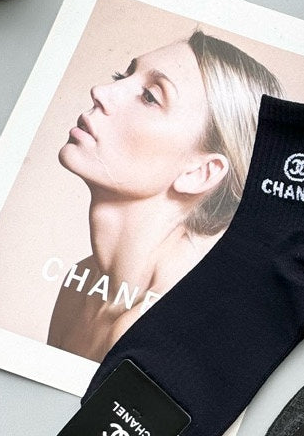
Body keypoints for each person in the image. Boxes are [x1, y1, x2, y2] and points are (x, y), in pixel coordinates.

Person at [47, 29, 283, 362]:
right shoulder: (80, 285)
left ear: (200, 172)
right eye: (122, 76)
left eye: (149, 96)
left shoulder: (158, 335)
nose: (100, 91)